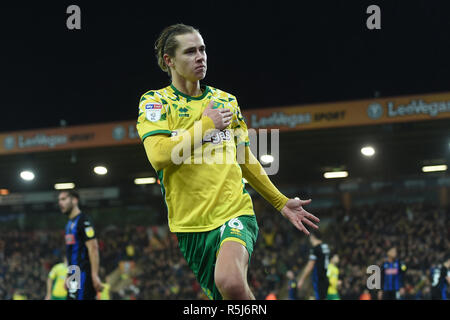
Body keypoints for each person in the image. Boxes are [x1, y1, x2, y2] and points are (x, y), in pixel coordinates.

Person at [136, 23, 320, 300]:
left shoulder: (226, 101)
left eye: (202, 49)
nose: (200, 57)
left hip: (234, 211)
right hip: (190, 225)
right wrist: (206, 125)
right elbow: (160, 156)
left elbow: (246, 159)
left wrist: (280, 201)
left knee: (230, 281)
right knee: (226, 296)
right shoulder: (156, 103)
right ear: (168, 60)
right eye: (190, 52)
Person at [58, 190, 104, 300]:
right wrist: (68, 276)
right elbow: (70, 252)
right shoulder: (69, 224)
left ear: (74, 200)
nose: (60, 203)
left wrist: (94, 275)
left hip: (83, 272)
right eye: (59, 200)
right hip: (74, 273)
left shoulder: (83, 221)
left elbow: (93, 248)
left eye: (64, 199)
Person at [296, 230, 330, 300]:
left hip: (318, 278)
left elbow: (310, 266)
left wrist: (301, 279)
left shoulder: (315, 249)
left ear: (313, 237)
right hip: (326, 277)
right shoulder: (326, 246)